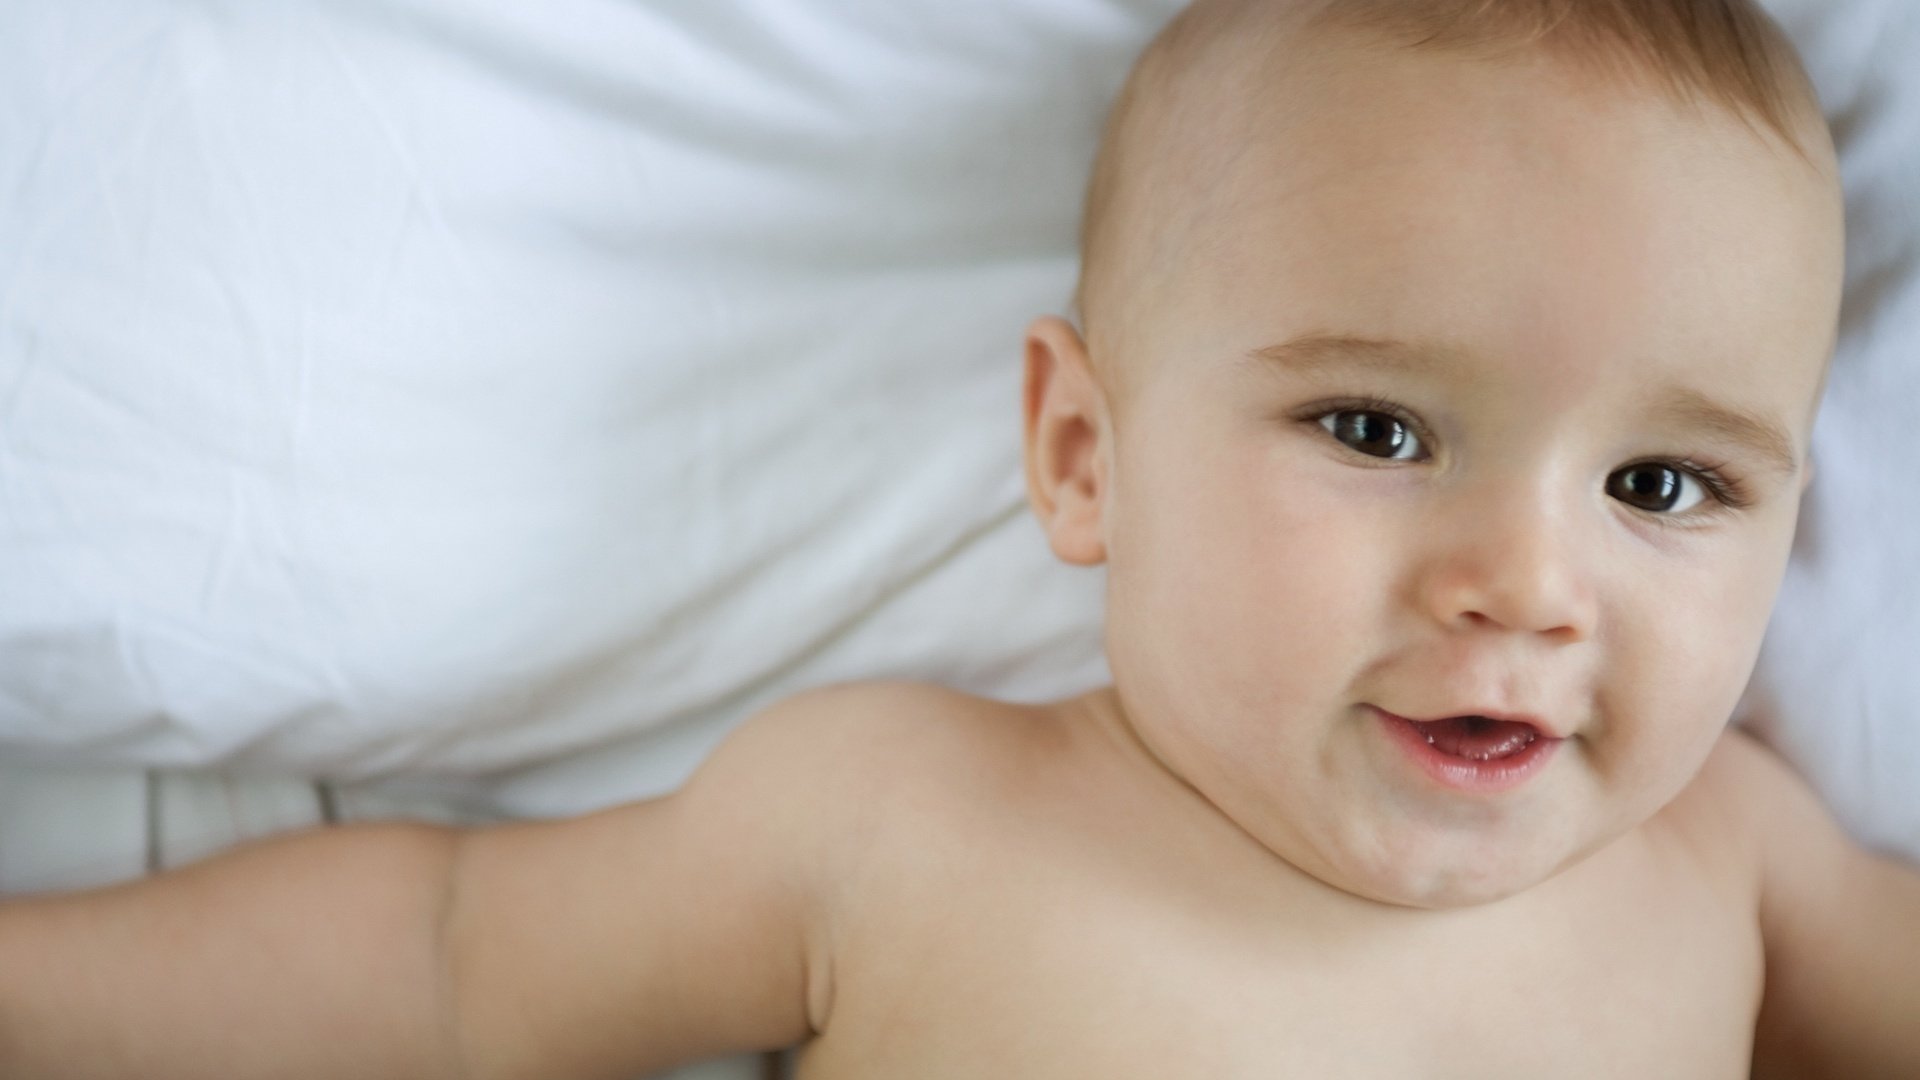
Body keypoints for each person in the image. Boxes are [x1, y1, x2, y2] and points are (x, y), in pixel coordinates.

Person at [3, 1, 1916, 1077]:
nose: (1524, 581)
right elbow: (444, 959)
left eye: (1667, 488)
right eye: (1375, 427)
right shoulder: (901, 817)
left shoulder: (1732, 871)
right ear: (1084, 454)